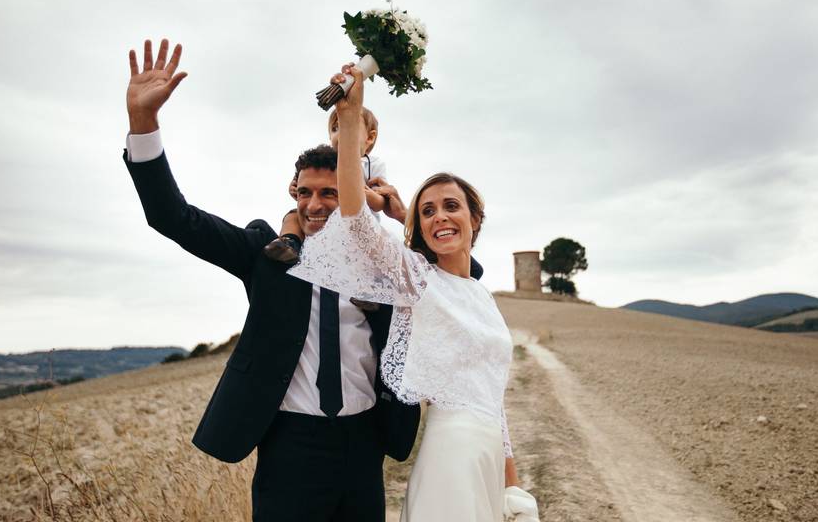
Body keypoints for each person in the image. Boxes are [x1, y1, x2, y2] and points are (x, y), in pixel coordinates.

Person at [121, 39, 483, 522]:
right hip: (289, 446)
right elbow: (174, 217)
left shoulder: (382, 263)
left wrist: (403, 220)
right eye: (306, 192)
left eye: (331, 194)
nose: (315, 205)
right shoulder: (266, 253)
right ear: (293, 193)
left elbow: (464, 277)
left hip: (364, 442)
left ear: (352, 194)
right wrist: (144, 126)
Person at [288, 63, 535, 521]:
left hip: (487, 462)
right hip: (451, 459)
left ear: (474, 219)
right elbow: (358, 219)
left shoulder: (483, 298)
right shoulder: (417, 280)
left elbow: (493, 404)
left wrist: (514, 487)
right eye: (427, 211)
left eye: (451, 206)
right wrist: (350, 117)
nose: (440, 216)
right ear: (416, 226)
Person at [265, 107, 388, 264]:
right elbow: (305, 187)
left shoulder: (372, 165)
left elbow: (380, 203)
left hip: (359, 227)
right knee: (293, 215)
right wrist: (295, 188)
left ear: (369, 138)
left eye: (349, 127)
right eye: (336, 129)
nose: (341, 134)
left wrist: (355, 190)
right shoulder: (328, 164)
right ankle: (289, 242)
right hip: (332, 223)